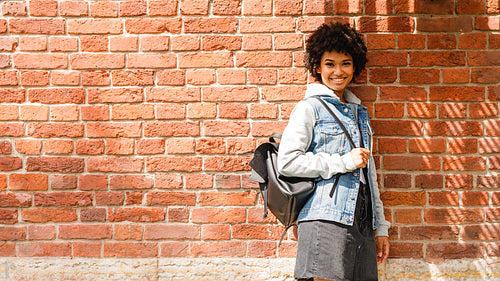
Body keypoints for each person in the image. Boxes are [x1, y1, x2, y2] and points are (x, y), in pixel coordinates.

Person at [277, 22, 390, 281]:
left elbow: (368, 173)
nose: (338, 71)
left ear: (355, 66)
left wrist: (380, 226)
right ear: (317, 66)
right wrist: (343, 161)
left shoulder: (359, 112)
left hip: (361, 219)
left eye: (346, 63)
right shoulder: (309, 108)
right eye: (330, 64)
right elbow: (288, 161)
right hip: (324, 217)